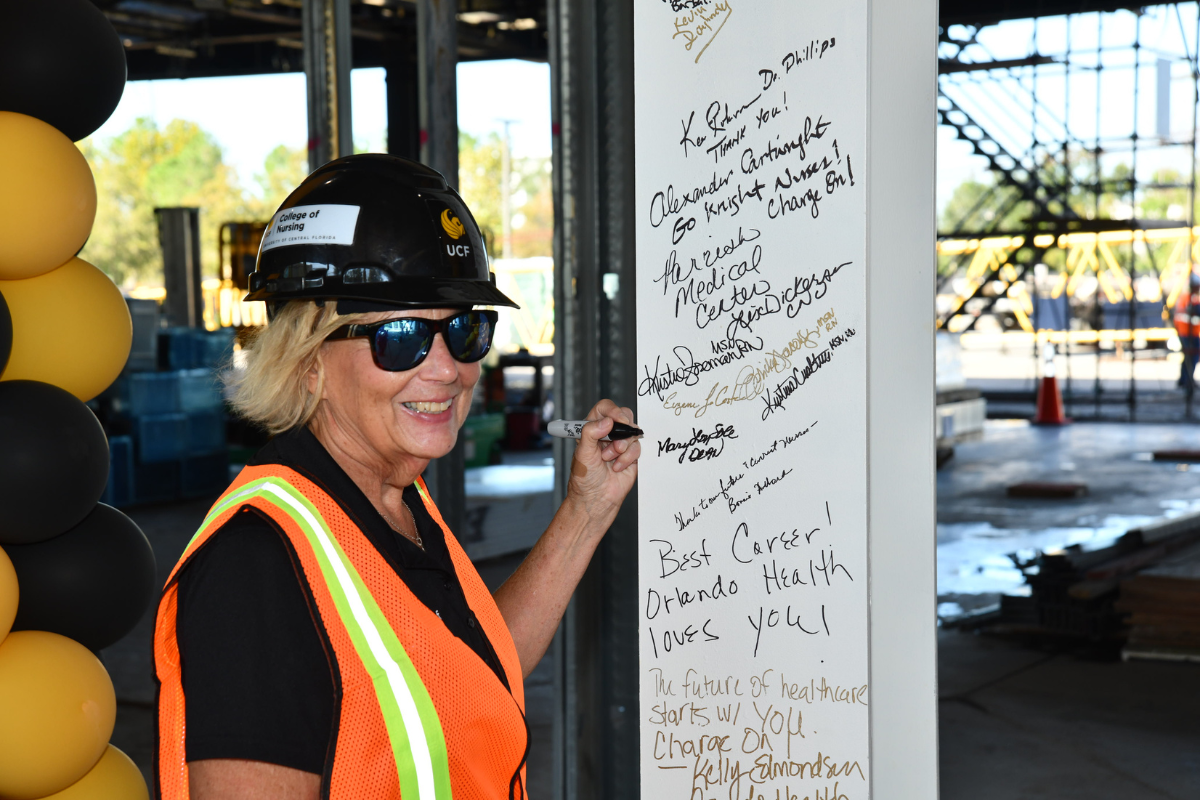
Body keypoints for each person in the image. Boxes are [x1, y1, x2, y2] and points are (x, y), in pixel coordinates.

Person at [152, 154, 640, 800]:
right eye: (402, 335)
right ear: (308, 360)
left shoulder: (396, 497)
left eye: (465, 329)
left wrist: (587, 509)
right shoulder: (257, 568)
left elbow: (469, 678)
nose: (447, 370)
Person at [1175, 270, 1200, 389]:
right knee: (1192, 356)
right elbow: (1189, 315)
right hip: (1187, 333)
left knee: (1189, 356)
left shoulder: (1191, 298)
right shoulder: (1189, 299)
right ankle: (1187, 380)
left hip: (1189, 332)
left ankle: (1184, 380)